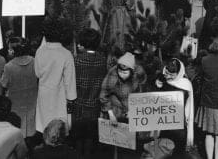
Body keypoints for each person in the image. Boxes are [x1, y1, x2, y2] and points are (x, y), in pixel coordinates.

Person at [35, 17, 77, 133]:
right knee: (59, 127)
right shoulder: (66, 54)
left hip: (44, 93)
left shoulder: (40, 51)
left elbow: (37, 73)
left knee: (44, 125)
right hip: (60, 95)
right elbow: (70, 80)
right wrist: (71, 99)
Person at [71, 28, 106, 158]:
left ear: (83, 44)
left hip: (79, 104)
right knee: (90, 137)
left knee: (78, 136)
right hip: (95, 104)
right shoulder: (102, 60)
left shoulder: (77, 60)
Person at [151, 59, 194, 154]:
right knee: (162, 149)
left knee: (177, 150)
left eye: (172, 75)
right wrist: (158, 85)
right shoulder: (160, 79)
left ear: (178, 74)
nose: (168, 76)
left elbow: (187, 105)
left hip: (178, 124)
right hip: (162, 123)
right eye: (167, 73)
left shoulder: (185, 84)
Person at [0, 37, 38, 141]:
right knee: (31, 130)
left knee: (18, 131)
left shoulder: (9, 66)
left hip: (16, 104)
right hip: (32, 101)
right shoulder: (35, 61)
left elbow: (4, 84)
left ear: (12, 51)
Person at [99, 52, 146, 122]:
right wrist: (111, 114)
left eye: (125, 73)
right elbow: (103, 95)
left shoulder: (139, 72)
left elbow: (142, 85)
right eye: (120, 71)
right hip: (116, 106)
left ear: (132, 71)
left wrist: (134, 109)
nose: (121, 75)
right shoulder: (112, 76)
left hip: (132, 104)